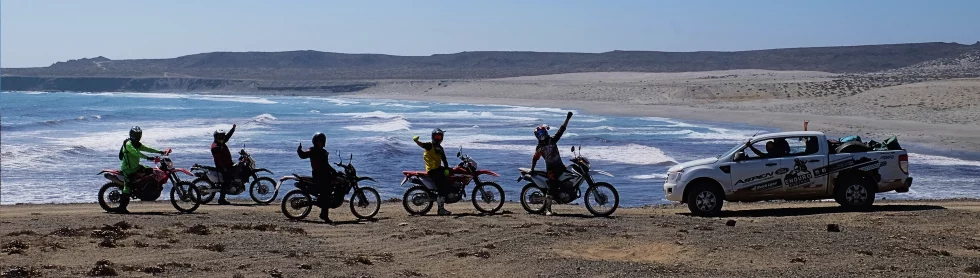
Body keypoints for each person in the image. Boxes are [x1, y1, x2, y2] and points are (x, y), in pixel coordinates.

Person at [531, 111, 574, 216]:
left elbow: (561, 130)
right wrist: (532, 169)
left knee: (569, 178)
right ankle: (548, 209)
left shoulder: (552, 140)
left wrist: (567, 119)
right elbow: (535, 158)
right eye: (539, 135)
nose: (542, 136)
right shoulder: (540, 148)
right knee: (552, 187)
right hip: (551, 170)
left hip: (560, 166)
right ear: (537, 136)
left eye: (543, 134)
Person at [118, 126, 167, 213]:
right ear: (132, 134)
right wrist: (148, 158)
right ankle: (122, 208)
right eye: (136, 135)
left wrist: (160, 152)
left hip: (136, 167)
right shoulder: (129, 144)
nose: (138, 136)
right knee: (127, 188)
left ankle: (144, 189)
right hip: (128, 169)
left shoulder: (137, 144)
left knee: (150, 171)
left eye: (139, 135)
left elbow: (147, 148)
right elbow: (136, 153)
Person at [297, 132, 339, 223]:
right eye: (318, 141)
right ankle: (324, 215)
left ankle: (324, 212)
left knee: (331, 187)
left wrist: (334, 171)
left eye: (321, 141)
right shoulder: (312, 150)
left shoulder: (324, 152)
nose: (320, 143)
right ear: (315, 141)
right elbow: (303, 155)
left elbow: (326, 164)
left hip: (325, 174)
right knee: (326, 193)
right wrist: (299, 150)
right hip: (319, 175)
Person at [413, 128, 451, 215]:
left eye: (440, 136)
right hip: (432, 170)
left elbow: (444, 160)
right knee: (442, 187)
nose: (438, 138)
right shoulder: (429, 145)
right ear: (433, 137)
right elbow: (422, 144)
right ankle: (441, 209)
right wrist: (416, 141)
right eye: (436, 136)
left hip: (438, 168)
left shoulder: (440, 148)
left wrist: (446, 169)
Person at [211, 124, 237, 205]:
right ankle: (221, 199)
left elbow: (228, 136)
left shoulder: (220, 142)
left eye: (222, 137)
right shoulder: (215, 147)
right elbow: (219, 159)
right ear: (216, 137)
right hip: (222, 166)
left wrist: (233, 129)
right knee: (227, 181)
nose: (222, 138)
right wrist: (224, 168)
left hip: (228, 164)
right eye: (220, 137)